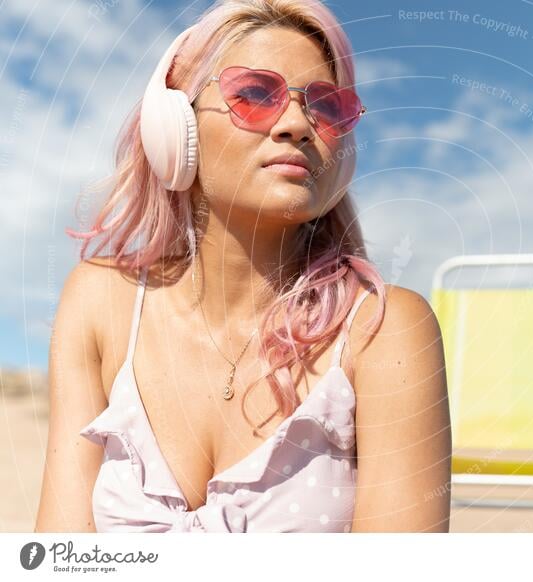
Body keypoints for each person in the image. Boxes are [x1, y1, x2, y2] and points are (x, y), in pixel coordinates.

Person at [35, 0, 451, 533]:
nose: (299, 123)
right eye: (254, 94)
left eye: (327, 106)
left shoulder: (385, 329)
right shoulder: (98, 302)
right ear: (176, 125)